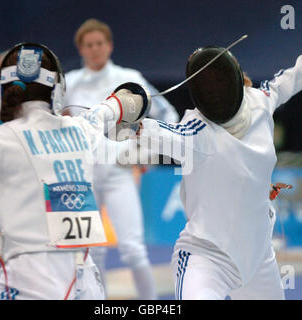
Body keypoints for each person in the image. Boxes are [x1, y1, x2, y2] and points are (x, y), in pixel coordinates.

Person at [0, 42, 148, 300]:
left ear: (4, 88)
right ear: (57, 88)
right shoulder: (82, 128)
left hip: (29, 284)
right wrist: (129, 100)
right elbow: (126, 102)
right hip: (87, 284)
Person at [137, 19, 302, 299]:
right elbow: (159, 133)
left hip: (258, 257)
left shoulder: (261, 100)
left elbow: (295, 76)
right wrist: (123, 117)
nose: (217, 90)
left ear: (237, 79)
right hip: (207, 259)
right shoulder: (196, 129)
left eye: (220, 81)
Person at [64, 18, 179, 299]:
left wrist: (147, 153)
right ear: (81, 49)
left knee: (133, 249)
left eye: (99, 43)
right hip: (82, 176)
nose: (95, 49)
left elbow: (168, 115)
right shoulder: (68, 83)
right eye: (88, 45)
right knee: (91, 252)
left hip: (118, 173)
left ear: (109, 45)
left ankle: (151, 305)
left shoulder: (129, 79)